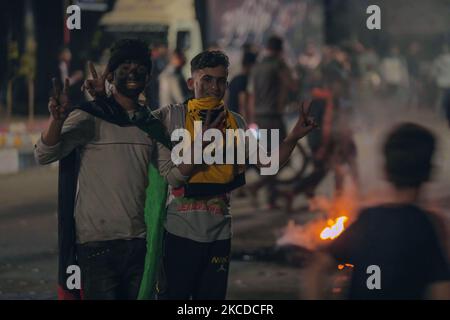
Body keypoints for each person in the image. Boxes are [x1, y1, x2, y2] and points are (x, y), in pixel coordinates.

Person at [121, 50, 317, 299]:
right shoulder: (172, 117)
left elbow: (269, 164)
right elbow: (133, 126)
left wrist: (293, 137)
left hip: (220, 234)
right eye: (207, 80)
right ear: (192, 83)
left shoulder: (236, 123)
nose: (215, 87)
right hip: (179, 233)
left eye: (221, 80)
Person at [34, 39, 167, 300]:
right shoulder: (89, 116)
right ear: (110, 74)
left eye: (139, 67)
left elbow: (171, 173)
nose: (132, 73)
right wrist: (57, 120)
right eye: (124, 66)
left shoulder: (150, 125)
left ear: (148, 77)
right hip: (96, 245)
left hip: (138, 243)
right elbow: (44, 153)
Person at [303, 123, 450, 300]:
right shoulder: (428, 226)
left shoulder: (367, 219)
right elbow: (442, 290)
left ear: (386, 171)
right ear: (429, 173)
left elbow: (316, 268)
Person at [247, 36, 298, 207]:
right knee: (283, 157)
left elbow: (251, 95)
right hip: (273, 117)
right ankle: (259, 186)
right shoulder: (278, 65)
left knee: (270, 157)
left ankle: (271, 197)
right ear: (279, 50)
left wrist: (252, 118)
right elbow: (292, 84)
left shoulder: (257, 67)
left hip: (259, 117)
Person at [226, 51, 257, 118]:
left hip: (230, 116)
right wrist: (245, 121)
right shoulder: (244, 80)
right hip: (238, 118)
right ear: (251, 65)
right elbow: (242, 104)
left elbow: (227, 98)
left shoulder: (235, 79)